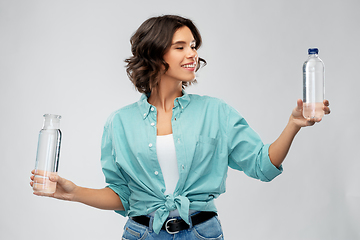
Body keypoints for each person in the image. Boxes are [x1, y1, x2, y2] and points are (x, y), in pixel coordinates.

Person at [30, 15, 330, 239]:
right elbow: (122, 197)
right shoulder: (119, 123)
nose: (193, 54)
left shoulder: (216, 112)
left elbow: (262, 166)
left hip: (202, 233)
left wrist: (293, 125)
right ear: (156, 54)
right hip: (141, 234)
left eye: (194, 46)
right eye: (180, 46)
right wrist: (72, 192)